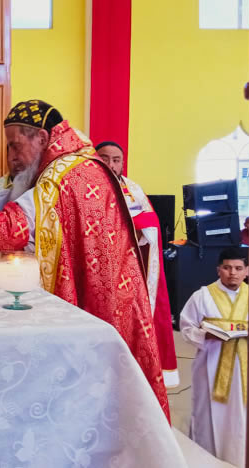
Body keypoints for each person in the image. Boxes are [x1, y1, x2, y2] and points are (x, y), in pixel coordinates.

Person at [0, 99, 169, 419]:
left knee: (92, 401)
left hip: (99, 305)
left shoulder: (60, 176)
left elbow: (11, 229)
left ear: (42, 138)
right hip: (105, 297)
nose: (11, 156)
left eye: (15, 145)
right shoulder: (70, 166)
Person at [96, 140, 178, 388]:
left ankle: (132, 372)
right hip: (97, 265)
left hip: (128, 265)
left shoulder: (132, 189)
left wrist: (134, 226)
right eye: (104, 159)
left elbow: (151, 221)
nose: (111, 165)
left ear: (123, 163)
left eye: (116, 160)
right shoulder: (86, 189)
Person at [179, 247, 249, 466]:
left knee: (243, 414)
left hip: (246, 366)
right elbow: (186, 328)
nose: (233, 273)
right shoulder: (202, 296)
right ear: (218, 269)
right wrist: (205, 334)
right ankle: (206, 458)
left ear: (247, 271)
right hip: (210, 364)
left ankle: (240, 458)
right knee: (207, 414)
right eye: (227, 268)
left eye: (238, 268)